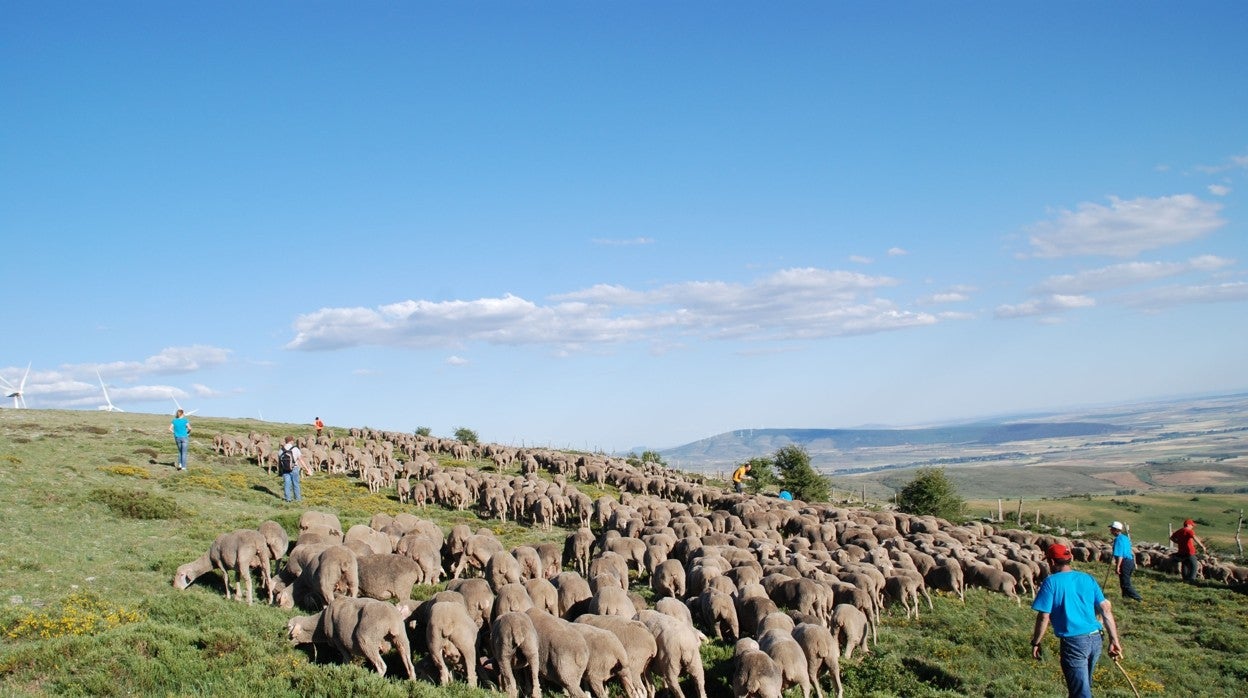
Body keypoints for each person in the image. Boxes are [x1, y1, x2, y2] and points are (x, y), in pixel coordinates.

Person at [1031, 543, 1122, 698]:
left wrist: (1036, 642)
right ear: (1070, 558)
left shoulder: (1051, 582)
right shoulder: (1087, 578)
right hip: (1096, 638)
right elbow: (1105, 610)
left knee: (1081, 693)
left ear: (1052, 562)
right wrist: (1114, 640)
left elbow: (1044, 616)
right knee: (1082, 686)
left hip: (1075, 642)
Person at [1109, 521, 1142, 601]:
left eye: (1112, 529)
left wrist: (1118, 567)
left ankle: (1138, 598)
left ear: (1116, 530)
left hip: (1124, 562)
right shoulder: (1125, 538)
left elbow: (1120, 555)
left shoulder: (1118, 539)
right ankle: (1125, 599)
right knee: (1123, 583)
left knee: (1125, 584)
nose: (1110, 530)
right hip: (1130, 562)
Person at [1169, 518, 1208, 582]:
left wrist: (1178, 542)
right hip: (1189, 551)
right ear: (1188, 525)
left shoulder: (1179, 531)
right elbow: (1194, 537)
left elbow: (1171, 538)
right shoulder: (1189, 531)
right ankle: (1192, 579)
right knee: (1194, 565)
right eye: (1192, 525)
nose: (1193, 527)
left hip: (1181, 551)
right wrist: (1202, 546)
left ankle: (1185, 579)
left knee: (1185, 564)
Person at [278, 436, 305, 503]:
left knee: (287, 484)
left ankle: (288, 499)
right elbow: (300, 459)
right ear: (291, 441)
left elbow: (279, 462)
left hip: (285, 469)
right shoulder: (295, 449)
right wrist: (306, 468)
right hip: (294, 468)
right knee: (296, 484)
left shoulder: (281, 450)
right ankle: (298, 499)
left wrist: (280, 471)